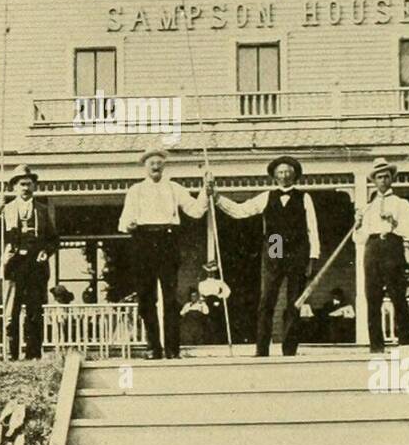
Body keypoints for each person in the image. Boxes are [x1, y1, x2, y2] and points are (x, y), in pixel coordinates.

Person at [213, 155, 319, 357]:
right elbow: (240, 210)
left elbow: (312, 228)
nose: (284, 175)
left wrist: (313, 257)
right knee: (267, 299)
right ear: (274, 176)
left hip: (298, 250)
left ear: (295, 175)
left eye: (288, 171)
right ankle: (262, 349)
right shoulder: (266, 196)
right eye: (280, 172)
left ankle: (289, 349)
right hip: (275, 244)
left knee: (294, 301)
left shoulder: (304, 197)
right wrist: (217, 198)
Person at [118, 147, 208, 359]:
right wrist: (129, 225)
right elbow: (123, 222)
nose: (156, 167)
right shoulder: (135, 190)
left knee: (170, 297)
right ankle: (153, 347)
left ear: (164, 165)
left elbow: (195, 210)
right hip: (143, 241)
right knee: (146, 298)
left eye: (159, 163)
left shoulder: (174, 188)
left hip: (167, 240)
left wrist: (206, 190)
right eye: (152, 163)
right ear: (145, 166)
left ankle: (172, 349)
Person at [0, 163, 57, 361]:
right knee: (11, 311)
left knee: (34, 312)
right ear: (14, 187)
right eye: (22, 184)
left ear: (34, 186)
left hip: (36, 267)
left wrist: (46, 252)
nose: (26, 188)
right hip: (14, 267)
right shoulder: (7, 210)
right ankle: (11, 354)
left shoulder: (43, 210)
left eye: (29, 184)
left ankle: (33, 354)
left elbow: (53, 239)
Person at [356, 157, 409, 355]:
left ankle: (405, 343)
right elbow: (358, 239)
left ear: (392, 179)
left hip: (393, 247)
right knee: (372, 296)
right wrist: (357, 224)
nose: (383, 180)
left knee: (397, 295)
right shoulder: (367, 206)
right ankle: (376, 345)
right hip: (372, 249)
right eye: (379, 177)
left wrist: (394, 223)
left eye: (386, 176)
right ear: (373, 181)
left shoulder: (402, 204)